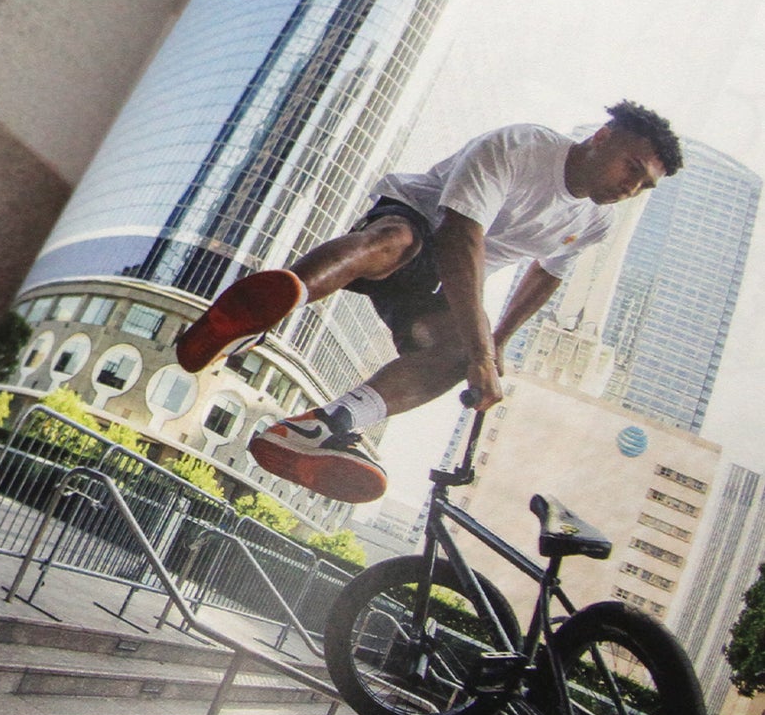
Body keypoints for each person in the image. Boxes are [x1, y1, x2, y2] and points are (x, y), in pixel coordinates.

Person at [174, 102, 684, 503]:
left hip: (440, 285)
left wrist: (495, 344)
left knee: (458, 355)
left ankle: (319, 427)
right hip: (422, 222)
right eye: (631, 167)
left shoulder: (595, 223)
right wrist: (483, 350)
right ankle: (257, 315)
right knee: (395, 242)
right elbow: (459, 237)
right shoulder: (522, 146)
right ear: (602, 137)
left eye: (645, 186)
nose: (631, 187)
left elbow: (546, 273)